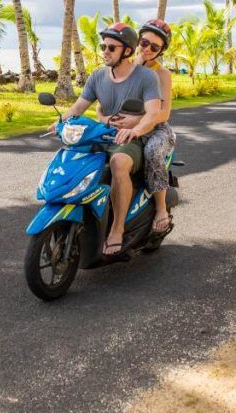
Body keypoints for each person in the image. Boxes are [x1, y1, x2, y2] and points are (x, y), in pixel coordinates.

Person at [46, 22, 162, 255]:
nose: (105, 52)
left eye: (111, 47)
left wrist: (136, 130)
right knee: (73, 156)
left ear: (127, 51)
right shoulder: (98, 76)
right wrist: (62, 121)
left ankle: (117, 229)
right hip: (102, 136)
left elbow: (153, 113)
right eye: (104, 46)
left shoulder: (146, 77)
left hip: (131, 138)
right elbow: (79, 106)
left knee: (119, 163)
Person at [133, 19, 176, 233]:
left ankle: (160, 208)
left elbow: (164, 112)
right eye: (144, 42)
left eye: (155, 47)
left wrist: (141, 123)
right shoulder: (126, 66)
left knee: (151, 153)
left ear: (161, 51)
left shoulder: (162, 74)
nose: (147, 49)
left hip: (157, 129)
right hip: (128, 126)